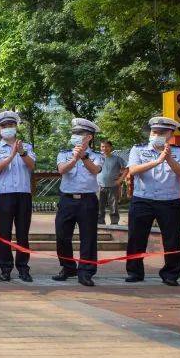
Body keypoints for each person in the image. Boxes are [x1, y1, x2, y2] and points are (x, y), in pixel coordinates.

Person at [125, 116, 180, 286]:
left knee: (172, 239)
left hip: (170, 201)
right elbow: (133, 170)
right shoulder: (138, 149)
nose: (157, 135)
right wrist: (157, 161)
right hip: (143, 200)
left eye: (162, 132)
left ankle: (171, 274)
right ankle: (135, 272)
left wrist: (169, 159)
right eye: (154, 132)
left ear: (170, 133)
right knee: (136, 238)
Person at [53, 118, 104, 286]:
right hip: (67, 199)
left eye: (79, 133)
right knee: (62, 235)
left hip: (87, 200)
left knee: (88, 237)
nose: (75, 136)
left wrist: (84, 157)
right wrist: (74, 159)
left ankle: (86, 272)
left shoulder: (97, 155)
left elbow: (95, 170)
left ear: (89, 137)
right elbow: (62, 170)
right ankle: (68, 267)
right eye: (74, 133)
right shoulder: (64, 153)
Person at [0, 110, 36, 282]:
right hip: (5, 195)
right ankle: (5, 268)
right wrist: (12, 155)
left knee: (23, 233)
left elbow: (31, 166)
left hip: (23, 194)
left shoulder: (27, 147)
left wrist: (22, 152)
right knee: (5, 233)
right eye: (4, 126)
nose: (8, 128)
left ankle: (23, 268)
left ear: (16, 127)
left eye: (11, 125)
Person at [97, 140, 127, 225]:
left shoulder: (117, 159)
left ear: (110, 147)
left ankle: (114, 223)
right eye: (102, 146)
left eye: (106, 146)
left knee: (113, 206)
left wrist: (120, 180)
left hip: (113, 186)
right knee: (99, 206)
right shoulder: (97, 158)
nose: (104, 148)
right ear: (100, 147)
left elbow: (127, 169)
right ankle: (100, 223)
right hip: (99, 186)